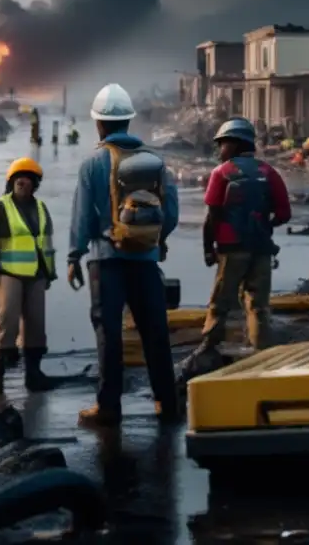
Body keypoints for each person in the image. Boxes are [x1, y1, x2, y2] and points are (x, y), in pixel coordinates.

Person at [68, 82, 180, 428]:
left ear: (99, 124)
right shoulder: (155, 162)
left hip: (107, 259)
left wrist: (75, 255)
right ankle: (166, 402)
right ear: (129, 122)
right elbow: (171, 212)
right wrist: (153, 240)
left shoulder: (93, 164)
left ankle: (109, 406)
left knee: (109, 333)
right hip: (145, 261)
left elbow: (83, 216)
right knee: (155, 332)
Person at [200, 117, 292, 353]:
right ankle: (260, 352)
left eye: (223, 144)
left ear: (236, 144)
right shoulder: (269, 172)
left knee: (220, 304)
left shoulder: (222, 173)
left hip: (231, 250)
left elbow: (212, 216)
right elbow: (284, 214)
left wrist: (208, 249)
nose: (220, 150)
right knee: (258, 305)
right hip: (261, 249)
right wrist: (265, 227)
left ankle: (209, 349)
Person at [0, 157, 57, 396]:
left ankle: (34, 375)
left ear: (34, 184)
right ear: (11, 182)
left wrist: (49, 273)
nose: (23, 182)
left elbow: (47, 243)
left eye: (28, 179)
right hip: (8, 272)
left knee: (35, 325)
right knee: (7, 323)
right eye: (18, 179)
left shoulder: (41, 208)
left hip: (36, 274)